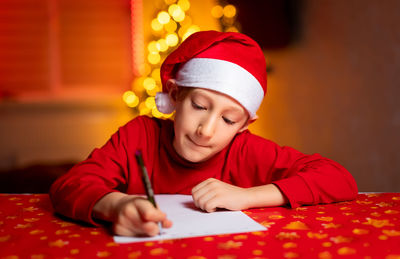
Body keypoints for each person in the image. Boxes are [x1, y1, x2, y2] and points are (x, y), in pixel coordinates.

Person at [50, 30, 358, 237]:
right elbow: (70, 185)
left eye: (228, 119)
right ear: (175, 95)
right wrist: (117, 206)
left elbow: (338, 178)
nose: (206, 131)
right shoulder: (138, 136)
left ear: (244, 126)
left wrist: (247, 197)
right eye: (199, 105)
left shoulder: (246, 150)